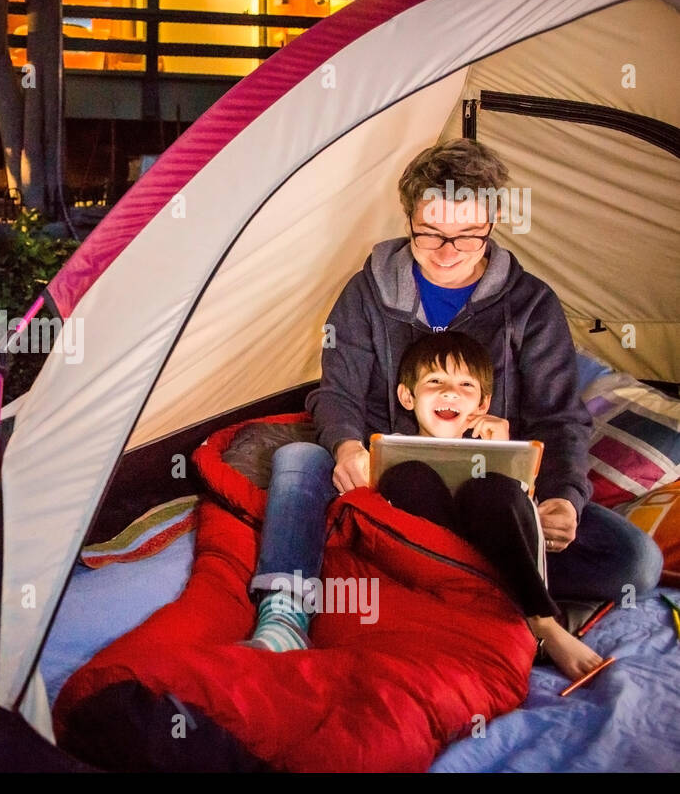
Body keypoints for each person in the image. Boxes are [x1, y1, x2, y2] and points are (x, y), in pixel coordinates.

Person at [243, 138, 662, 654]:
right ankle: (284, 612)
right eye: (431, 234)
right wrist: (348, 447)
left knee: (636, 562)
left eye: (467, 236)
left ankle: (461, 576)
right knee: (298, 458)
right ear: (408, 218)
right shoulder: (366, 293)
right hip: (388, 488)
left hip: (494, 498)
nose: (448, 253)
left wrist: (562, 498)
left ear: (493, 222)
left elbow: (559, 419)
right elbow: (337, 393)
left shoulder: (531, 304)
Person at [374, 332, 603, 679]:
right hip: (437, 584)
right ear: (407, 396)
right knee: (408, 477)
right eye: (434, 381)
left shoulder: (500, 449)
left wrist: (504, 458)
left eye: (466, 385)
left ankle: (542, 622)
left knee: (491, 488)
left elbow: (524, 520)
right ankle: (473, 619)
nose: (449, 392)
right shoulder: (395, 458)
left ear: (482, 405)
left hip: (505, 571)